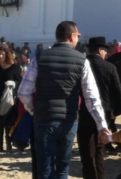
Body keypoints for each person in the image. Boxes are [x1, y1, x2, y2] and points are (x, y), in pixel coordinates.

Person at [18, 21, 110, 179]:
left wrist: (33, 109)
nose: (78, 40)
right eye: (78, 36)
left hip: (44, 118)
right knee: (62, 167)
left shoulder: (40, 57)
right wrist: (102, 125)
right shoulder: (82, 60)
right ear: (72, 36)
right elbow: (92, 98)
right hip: (68, 119)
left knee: (45, 168)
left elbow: (23, 92)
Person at [78, 36, 121, 179]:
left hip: (84, 113)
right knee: (99, 152)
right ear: (100, 50)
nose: (106, 54)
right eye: (105, 50)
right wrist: (116, 111)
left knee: (86, 153)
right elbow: (118, 92)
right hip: (104, 113)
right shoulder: (109, 67)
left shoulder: (81, 65)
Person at [0, 44, 22, 152]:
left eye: (2, 54)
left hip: (10, 100)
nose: (0, 56)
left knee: (9, 122)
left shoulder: (14, 68)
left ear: (7, 55)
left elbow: (21, 82)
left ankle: (9, 145)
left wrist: (13, 83)